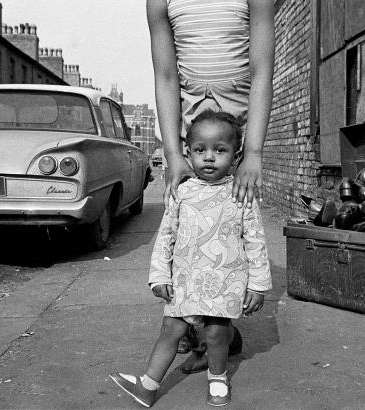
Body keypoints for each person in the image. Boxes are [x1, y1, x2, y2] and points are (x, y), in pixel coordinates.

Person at [109, 110, 272, 407]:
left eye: (219, 150)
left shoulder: (241, 194)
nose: (209, 157)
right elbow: (165, 237)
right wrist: (159, 276)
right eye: (200, 150)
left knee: (216, 333)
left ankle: (218, 380)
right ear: (188, 153)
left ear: (236, 156)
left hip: (225, 279)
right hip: (184, 280)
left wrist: (258, 285)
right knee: (170, 330)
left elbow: (255, 241)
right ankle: (148, 386)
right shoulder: (181, 193)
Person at [146, 0, 275, 371]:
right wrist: (173, 153)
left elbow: (261, 70)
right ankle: (197, 324)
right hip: (192, 130)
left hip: (235, 131)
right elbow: (166, 76)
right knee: (187, 229)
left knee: (232, 226)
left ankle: (215, 333)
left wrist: (253, 151)